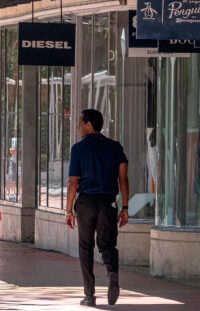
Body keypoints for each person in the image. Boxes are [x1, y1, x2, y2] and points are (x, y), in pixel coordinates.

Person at [65, 109, 129, 306]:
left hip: (86, 202)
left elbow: (72, 182)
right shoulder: (115, 147)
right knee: (107, 243)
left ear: (89, 124)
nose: (78, 127)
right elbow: (123, 179)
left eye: (80, 123)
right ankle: (112, 273)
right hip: (108, 201)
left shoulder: (78, 149)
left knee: (86, 246)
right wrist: (125, 207)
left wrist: (68, 210)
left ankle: (90, 294)